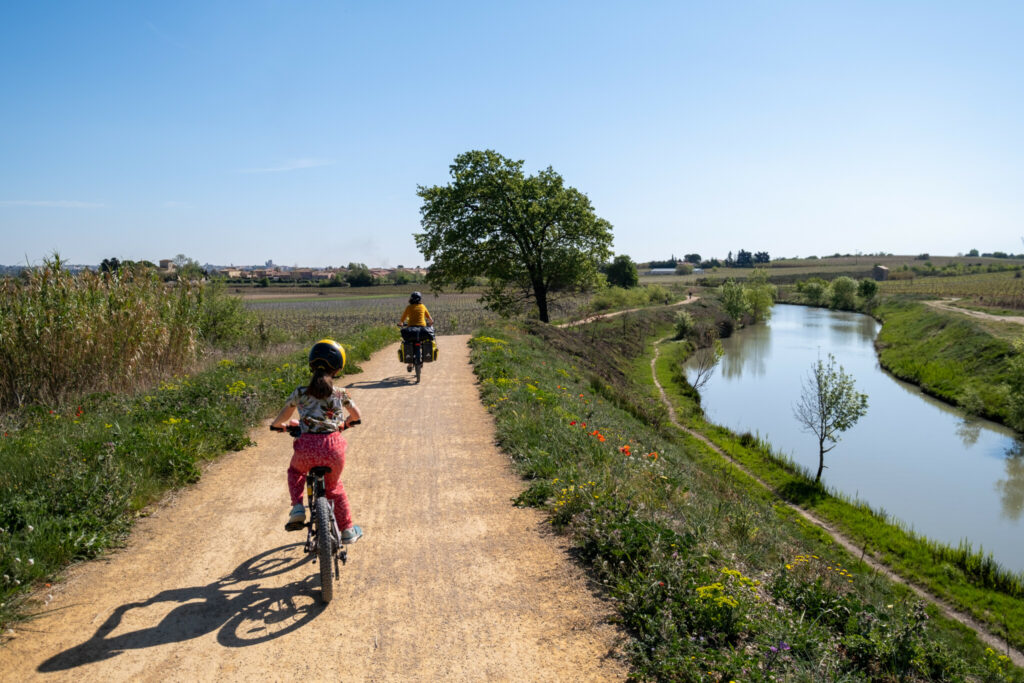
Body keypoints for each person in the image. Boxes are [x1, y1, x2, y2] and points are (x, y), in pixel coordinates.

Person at [271, 339, 363, 543]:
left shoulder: (301, 393)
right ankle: (347, 530)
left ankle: (297, 507)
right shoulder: (341, 393)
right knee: (335, 488)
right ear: (338, 369)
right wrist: (345, 425)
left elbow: (284, 415)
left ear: (311, 365)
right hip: (333, 448)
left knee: (296, 472)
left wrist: (277, 425)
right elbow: (356, 415)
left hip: (306, 449)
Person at [399, 291, 434, 372]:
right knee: (422, 343)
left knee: (410, 343)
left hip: (411, 330)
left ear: (411, 299)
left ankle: (410, 364)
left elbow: (402, 319)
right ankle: (422, 360)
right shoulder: (423, 306)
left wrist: (401, 324)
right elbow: (430, 319)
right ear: (420, 299)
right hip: (422, 330)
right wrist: (430, 323)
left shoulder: (409, 307)